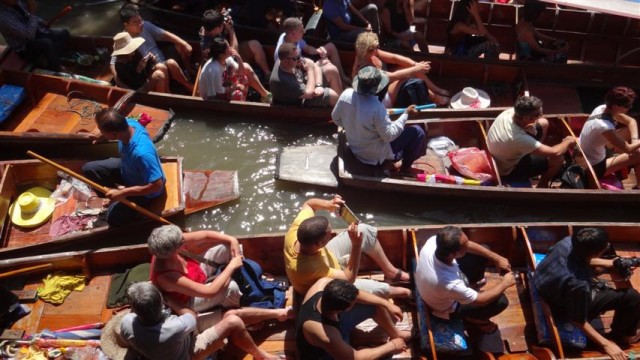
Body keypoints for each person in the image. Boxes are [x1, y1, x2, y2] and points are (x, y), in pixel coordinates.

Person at [533, 227, 640, 360]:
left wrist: (610, 263)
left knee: (599, 271)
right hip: (559, 302)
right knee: (632, 297)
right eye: (605, 245)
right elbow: (577, 319)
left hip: (545, 282)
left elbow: (582, 259)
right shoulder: (579, 284)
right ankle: (623, 336)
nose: (607, 245)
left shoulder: (566, 242)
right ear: (595, 253)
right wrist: (606, 344)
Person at [147, 225, 292, 320]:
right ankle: (240, 305)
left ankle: (252, 280)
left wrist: (231, 239)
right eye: (181, 242)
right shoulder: (167, 277)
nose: (184, 240)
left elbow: (205, 235)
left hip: (199, 274)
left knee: (227, 247)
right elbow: (209, 291)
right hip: (191, 299)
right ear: (174, 250)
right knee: (231, 288)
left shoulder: (171, 247)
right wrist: (231, 267)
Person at [284, 194, 410, 299]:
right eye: (329, 234)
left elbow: (309, 204)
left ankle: (390, 271)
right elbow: (348, 279)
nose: (332, 234)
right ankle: (406, 293)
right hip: (323, 289)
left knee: (362, 230)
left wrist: (329, 204)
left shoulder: (297, 231)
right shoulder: (310, 267)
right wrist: (356, 244)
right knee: (376, 288)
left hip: (327, 258)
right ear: (318, 244)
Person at [121, 282, 281, 360]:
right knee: (233, 320)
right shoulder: (173, 327)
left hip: (170, 344)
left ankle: (279, 313)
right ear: (160, 301)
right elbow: (192, 315)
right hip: (188, 351)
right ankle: (260, 356)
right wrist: (167, 297)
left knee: (229, 312)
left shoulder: (127, 323)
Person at [415, 226, 515, 333]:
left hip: (439, 288)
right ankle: (474, 319)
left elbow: (469, 246)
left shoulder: (433, 242)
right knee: (501, 301)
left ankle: (469, 287)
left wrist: (497, 258)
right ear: (453, 254)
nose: (469, 245)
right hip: (446, 308)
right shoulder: (449, 283)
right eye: (465, 245)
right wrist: (505, 283)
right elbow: (481, 300)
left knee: (484, 251)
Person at [333, 66, 427, 175]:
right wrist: (406, 114)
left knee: (397, 128)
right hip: (373, 155)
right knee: (418, 132)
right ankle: (404, 168)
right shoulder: (376, 107)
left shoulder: (346, 94)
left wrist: (356, 127)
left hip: (356, 148)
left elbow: (336, 119)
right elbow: (389, 135)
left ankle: (386, 161)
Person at [82, 108, 165, 227]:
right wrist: (102, 136)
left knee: (112, 219)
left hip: (146, 190)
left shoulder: (141, 153)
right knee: (89, 169)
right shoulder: (128, 123)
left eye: (102, 131)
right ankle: (111, 197)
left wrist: (123, 192)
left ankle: (120, 200)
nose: (100, 132)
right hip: (128, 168)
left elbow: (157, 185)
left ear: (114, 134)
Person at [297, 278, 411, 360]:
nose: (357, 300)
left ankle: (396, 334)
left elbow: (356, 294)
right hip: (325, 352)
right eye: (353, 303)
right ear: (343, 309)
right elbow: (355, 357)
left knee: (375, 304)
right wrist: (392, 346)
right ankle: (363, 347)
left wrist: (386, 303)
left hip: (336, 325)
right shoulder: (325, 334)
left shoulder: (323, 284)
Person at [486, 95, 576, 188]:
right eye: (538, 114)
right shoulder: (518, 138)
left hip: (501, 153)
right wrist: (568, 141)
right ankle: (542, 185)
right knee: (558, 158)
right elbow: (555, 152)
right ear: (526, 118)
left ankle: (535, 148)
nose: (540, 115)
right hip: (507, 169)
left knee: (544, 123)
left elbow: (536, 124)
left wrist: (530, 128)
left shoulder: (510, 112)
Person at [111, 3, 193, 93]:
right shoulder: (123, 41)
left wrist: (185, 44)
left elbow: (164, 34)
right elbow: (114, 64)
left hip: (159, 61)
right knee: (168, 65)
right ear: (126, 25)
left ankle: (190, 75)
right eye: (135, 22)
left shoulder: (145, 25)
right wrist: (121, 85)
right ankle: (170, 93)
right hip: (150, 70)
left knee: (179, 46)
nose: (140, 24)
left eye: (140, 20)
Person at [352, 32, 449, 107]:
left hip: (386, 85)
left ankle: (436, 89)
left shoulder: (372, 53)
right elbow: (393, 76)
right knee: (409, 76)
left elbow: (394, 58)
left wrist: (415, 64)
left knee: (409, 68)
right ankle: (436, 98)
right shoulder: (366, 69)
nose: (378, 47)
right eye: (376, 46)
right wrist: (416, 69)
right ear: (369, 49)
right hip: (380, 100)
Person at [578, 86, 640, 189]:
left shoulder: (602, 108)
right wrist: (635, 145)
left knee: (629, 134)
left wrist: (635, 140)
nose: (630, 107)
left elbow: (631, 121)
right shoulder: (604, 126)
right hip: (594, 166)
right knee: (639, 154)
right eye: (627, 106)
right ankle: (638, 188)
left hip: (591, 151)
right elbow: (628, 149)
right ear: (616, 106)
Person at [275, 17, 349, 90]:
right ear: (293, 34)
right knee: (329, 67)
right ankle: (341, 87)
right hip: (301, 74)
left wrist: (318, 50)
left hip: (303, 63)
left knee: (330, 47)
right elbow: (292, 74)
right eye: (301, 30)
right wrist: (312, 67)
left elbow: (307, 48)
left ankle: (343, 77)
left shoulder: (291, 37)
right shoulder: (283, 53)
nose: (304, 31)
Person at [199, 9, 271, 81]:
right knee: (247, 68)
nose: (223, 25)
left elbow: (221, 29)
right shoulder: (208, 46)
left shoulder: (210, 27)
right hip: (226, 63)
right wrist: (231, 30)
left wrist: (225, 19)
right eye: (222, 25)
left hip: (229, 50)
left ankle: (268, 75)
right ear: (216, 29)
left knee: (255, 45)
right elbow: (234, 55)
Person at [0, 0, 69, 71]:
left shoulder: (17, 2)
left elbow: (28, 17)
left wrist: (42, 22)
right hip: (24, 46)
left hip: (34, 33)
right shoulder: (2, 18)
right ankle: (56, 68)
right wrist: (32, 12)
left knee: (64, 33)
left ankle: (47, 59)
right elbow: (29, 35)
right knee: (46, 43)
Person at [199, 37, 271, 103]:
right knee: (238, 94)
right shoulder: (214, 70)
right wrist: (236, 87)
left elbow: (241, 72)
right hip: (212, 97)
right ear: (221, 54)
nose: (230, 48)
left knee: (245, 75)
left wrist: (238, 58)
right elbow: (218, 92)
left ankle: (264, 95)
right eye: (228, 48)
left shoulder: (226, 59)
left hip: (223, 83)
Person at [270, 43, 338, 108]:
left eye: (298, 55)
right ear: (285, 61)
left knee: (331, 70)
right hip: (299, 103)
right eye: (295, 58)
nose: (299, 59)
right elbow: (309, 94)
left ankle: (341, 104)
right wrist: (310, 70)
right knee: (332, 95)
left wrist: (318, 85)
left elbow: (313, 65)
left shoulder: (286, 59)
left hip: (303, 87)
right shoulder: (285, 81)